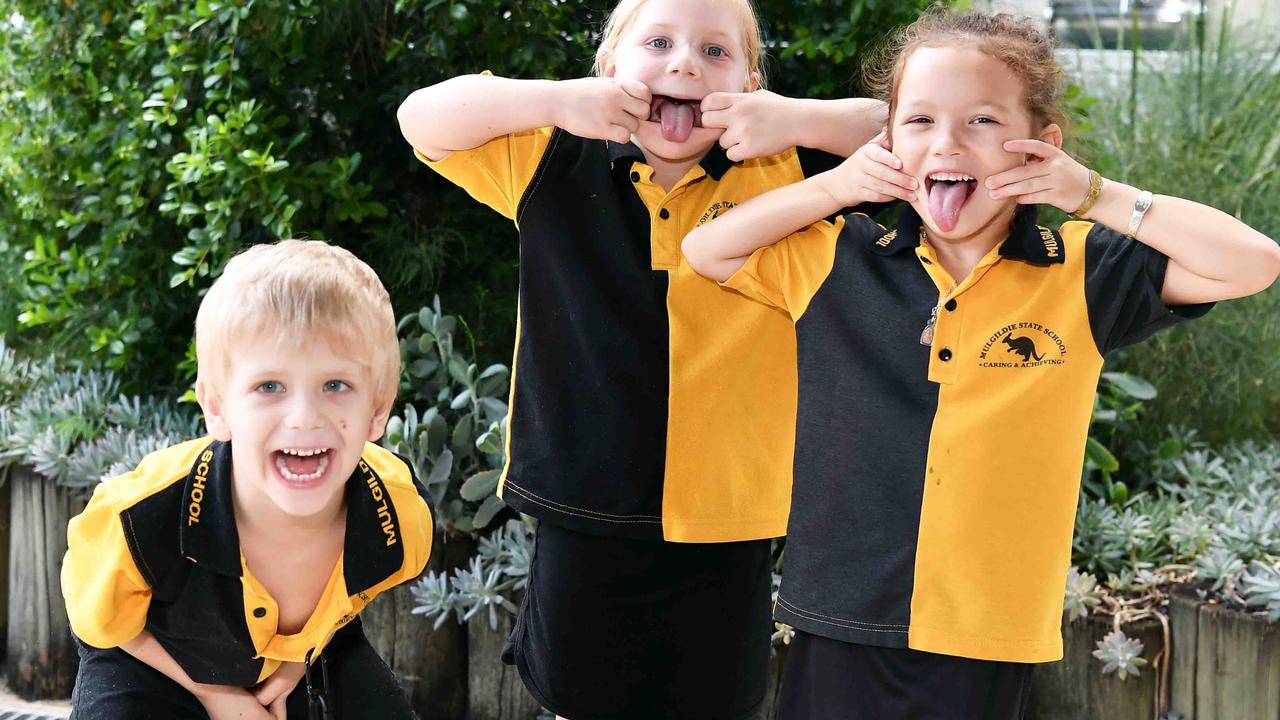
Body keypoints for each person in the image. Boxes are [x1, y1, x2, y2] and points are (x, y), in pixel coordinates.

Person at [682, 11, 1280, 719]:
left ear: (1041, 147)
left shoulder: (1079, 271)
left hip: (989, 628)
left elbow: (1253, 262)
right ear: (888, 140)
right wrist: (836, 188)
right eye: (921, 121)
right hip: (841, 612)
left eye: (983, 122)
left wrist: (1092, 194)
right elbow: (708, 251)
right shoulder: (837, 257)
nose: (948, 142)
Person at [396, 0, 886, 716]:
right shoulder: (550, 155)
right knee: (578, 696)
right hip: (582, 498)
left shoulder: (784, 171)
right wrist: (559, 101)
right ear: (609, 71)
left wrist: (794, 118)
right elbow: (420, 118)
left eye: (715, 52)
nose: (685, 61)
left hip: (730, 514)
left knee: (715, 702)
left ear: (751, 86)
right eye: (658, 41)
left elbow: (915, 138)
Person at [63, 240, 433, 720]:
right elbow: (103, 624)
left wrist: (299, 659)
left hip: (302, 657)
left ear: (377, 411)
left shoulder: (396, 514)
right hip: (157, 661)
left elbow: (355, 590)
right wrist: (218, 697)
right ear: (217, 408)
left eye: (335, 385)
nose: (304, 417)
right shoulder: (141, 519)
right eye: (269, 387)